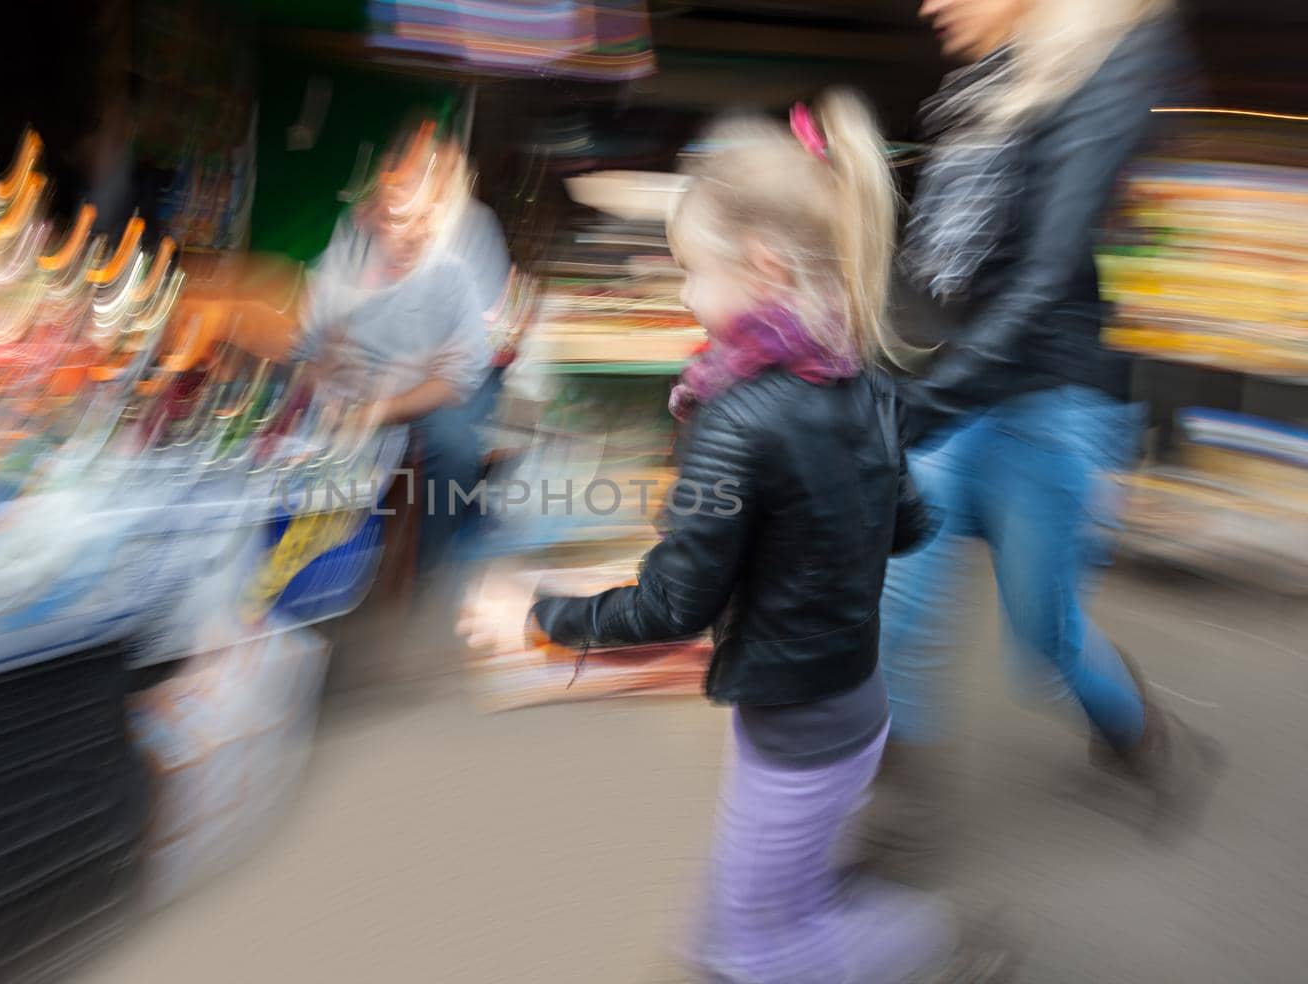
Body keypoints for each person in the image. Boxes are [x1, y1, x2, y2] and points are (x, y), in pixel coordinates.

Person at [516, 92, 1009, 984]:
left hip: (796, 726)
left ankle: (934, 944)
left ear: (764, 266)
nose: (683, 291)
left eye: (691, 270)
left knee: (761, 948)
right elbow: (910, 525)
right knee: (743, 916)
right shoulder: (862, 382)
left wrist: (551, 617)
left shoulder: (733, 414)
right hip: (851, 706)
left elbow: (674, 605)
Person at [871, 0, 1222, 861]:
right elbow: (930, 275)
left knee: (1044, 641)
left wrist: (910, 405)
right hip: (956, 393)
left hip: (1049, 400)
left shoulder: (1110, 60)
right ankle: (899, 820)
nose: (931, 4)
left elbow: (1040, 282)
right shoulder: (976, 88)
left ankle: (1147, 740)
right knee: (889, 604)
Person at [293, 118, 512, 576]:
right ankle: (299, 556)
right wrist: (326, 366)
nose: (398, 185)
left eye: (419, 176)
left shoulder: (470, 233)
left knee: (452, 443)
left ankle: (429, 570)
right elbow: (321, 323)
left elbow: (462, 368)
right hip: (374, 365)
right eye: (397, 170)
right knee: (289, 396)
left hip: (446, 377)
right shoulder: (361, 225)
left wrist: (382, 406)